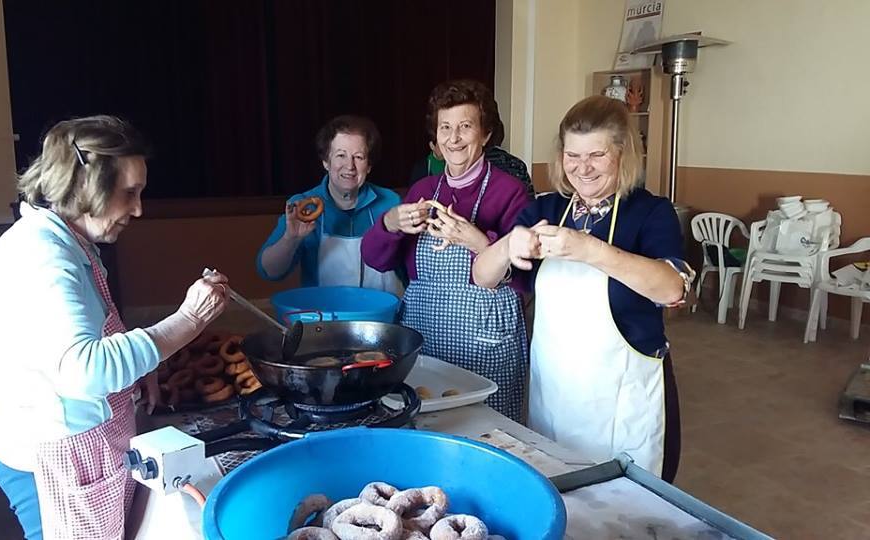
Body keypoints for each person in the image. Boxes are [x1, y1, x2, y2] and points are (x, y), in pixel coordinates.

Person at [0, 116, 230, 539]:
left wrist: (137, 368)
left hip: (80, 451)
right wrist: (190, 319)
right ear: (87, 184)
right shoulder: (44, 259)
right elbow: (86, 370)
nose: (138, 209)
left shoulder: (67, 243)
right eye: (129, 192)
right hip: (52, 464)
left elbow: (75, 343)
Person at [473, 96, 693, 481]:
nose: (582, 167)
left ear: (622, 154)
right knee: (560, 488)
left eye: (597, 155)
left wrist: (591, 250)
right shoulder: (547, 210)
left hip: (622, 401)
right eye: (572, 156)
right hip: (555, 392)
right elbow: (482, 276)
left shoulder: (650, 212)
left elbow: (672, 288)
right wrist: (507, 246)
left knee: (624, 500)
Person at [363, 80, 531, 422]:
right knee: (426, 423)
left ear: (485, 134)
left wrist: (478, 241)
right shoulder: (423, 191)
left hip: (485, 339)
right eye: (445, 127)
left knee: (487, 426)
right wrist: (390, 223)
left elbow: (525, 278)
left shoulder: (510, 192)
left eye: (465, 126)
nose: (454, 138)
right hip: (426, 332)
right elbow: (375, 259)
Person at [257, 115, 403, 295]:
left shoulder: (391, 202)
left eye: (358, 157)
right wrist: (290, 238)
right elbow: (269, 272)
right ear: (326, 161)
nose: (350, 166)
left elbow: (409, 265)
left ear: (369, 165)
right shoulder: (303, 206)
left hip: (381, 311)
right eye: (341, 155)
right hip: (324, 312)